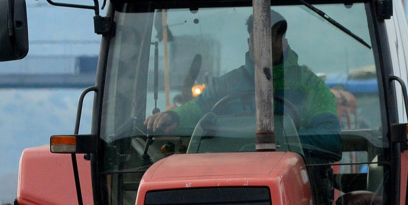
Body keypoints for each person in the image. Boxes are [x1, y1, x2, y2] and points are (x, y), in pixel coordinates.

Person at [145, 11, 341, 164]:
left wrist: (279, 140)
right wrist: (174, 117)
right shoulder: (227, 83)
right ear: (249, 43)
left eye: (272, 37)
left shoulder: (310, 86)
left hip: (297, 174)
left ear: (284, 42)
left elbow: (330, 139)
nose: (265, 45)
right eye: (258, 38)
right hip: (227, 174)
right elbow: (197, 108)